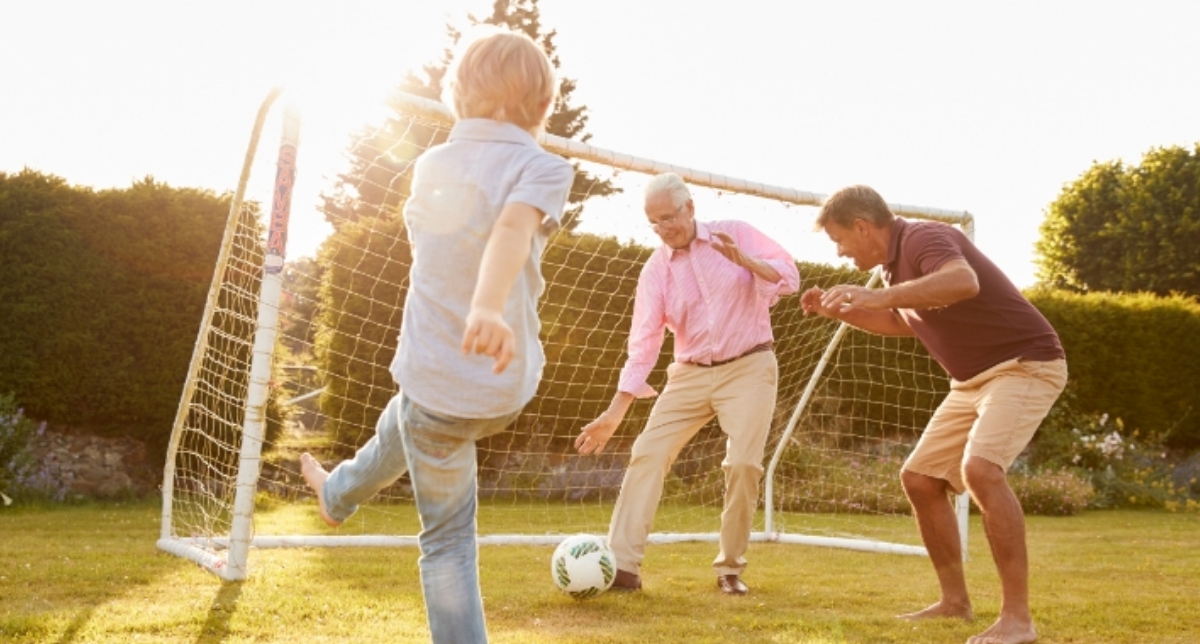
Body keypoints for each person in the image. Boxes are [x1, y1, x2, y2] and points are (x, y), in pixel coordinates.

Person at [298, 27, 574, 644]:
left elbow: (503, 230)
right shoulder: (546, 165)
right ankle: (337, 493)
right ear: (542, 108)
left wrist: (484, 307)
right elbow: (508, 226)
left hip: (439, 381)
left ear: (456, 97)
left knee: (446, 537)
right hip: (504, 388)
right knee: (407, 422)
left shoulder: (429, 166)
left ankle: (339, 493)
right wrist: (489, 310)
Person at [800, 185, 1066, 644]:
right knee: (920, 478)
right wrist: (840, 312)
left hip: (1024, 365)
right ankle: (955, 603)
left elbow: (964, 282)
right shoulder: (891, 270)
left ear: (862, 226)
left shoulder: (925, 238)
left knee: (981, 470)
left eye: (839, 240)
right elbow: (904, 323)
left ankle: (1018, 620)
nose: (840, 252)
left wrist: (877, 298)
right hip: (970, 382)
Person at [575, 172, 800, 596]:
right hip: (689, 374)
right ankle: (623, 569)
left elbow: (791, 276)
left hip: (749, 366)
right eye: (654, 222)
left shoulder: (735, 234)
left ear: (690, 208)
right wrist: (614, 412)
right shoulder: (656, 270)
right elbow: (643, 345)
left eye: (669, 217)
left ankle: (729, 570)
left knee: (744, 465)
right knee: (646, 452)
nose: (664, 229)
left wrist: (746, 262)